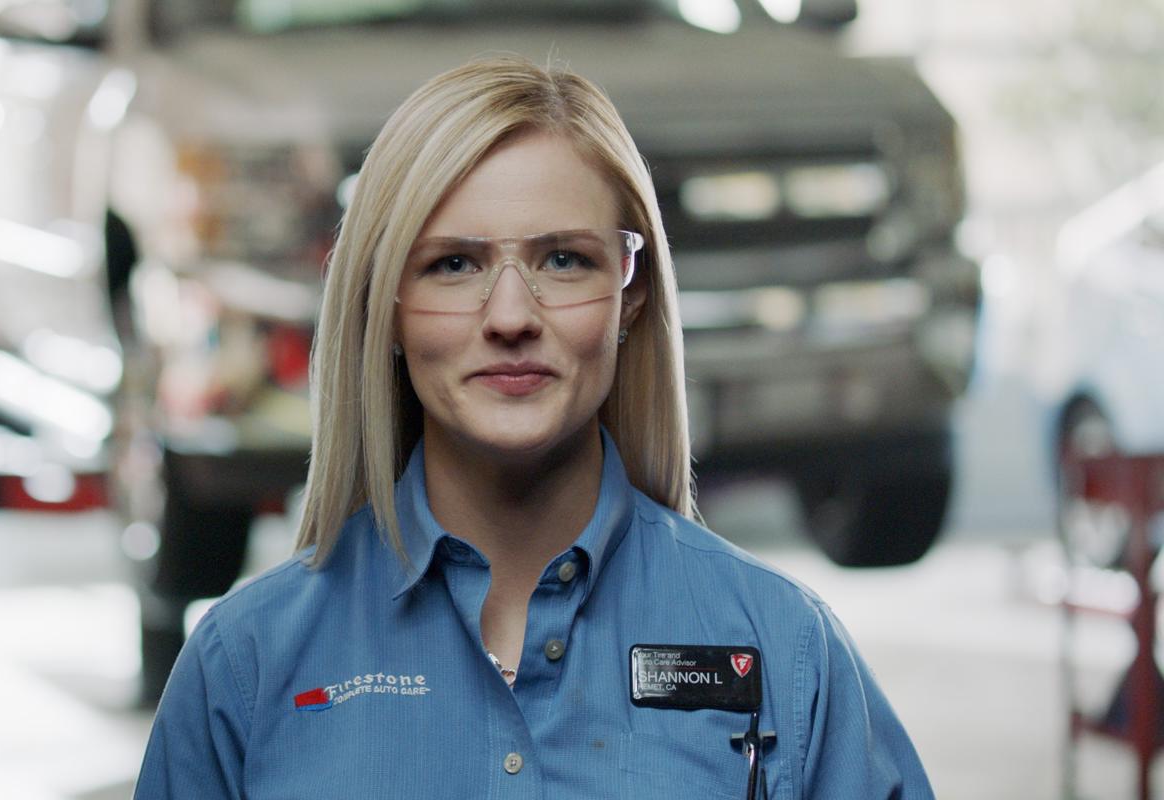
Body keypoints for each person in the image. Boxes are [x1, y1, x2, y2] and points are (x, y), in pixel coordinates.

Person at [134, 56, 934, 799]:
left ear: (632, 296)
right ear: (387, 308)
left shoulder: (784, 651)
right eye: (454, 263)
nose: (511, 316)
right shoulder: (246, 667)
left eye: (564, 261)